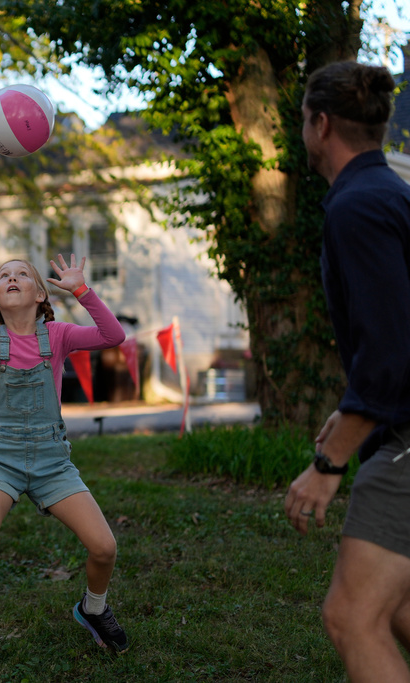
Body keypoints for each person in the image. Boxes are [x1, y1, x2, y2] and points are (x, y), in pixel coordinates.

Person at [0, 244, 128, 666]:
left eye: (22, 274)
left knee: (105, 547)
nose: (12, 278)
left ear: (40, 295)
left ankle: (93, 608)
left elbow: (114, 336)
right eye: (3, 276)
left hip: (53, 461)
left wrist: (83, 291)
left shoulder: (59, 335)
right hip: (2, 460)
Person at [284, 61, 410, 682]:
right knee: (401, 608)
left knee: (351, 618)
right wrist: (354, 404)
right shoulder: (389, 196)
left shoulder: (357, 208)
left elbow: (390, 355)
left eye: (303, 119)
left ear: (321, 123)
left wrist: (328, 465)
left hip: (408, 444)